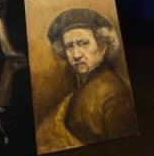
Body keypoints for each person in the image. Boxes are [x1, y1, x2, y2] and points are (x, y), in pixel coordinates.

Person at [35, 9, 136, 151]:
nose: (76, 55)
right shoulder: (80, 85)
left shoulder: (113, 94)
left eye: (83, 43)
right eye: (69, 46)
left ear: (102, 47)